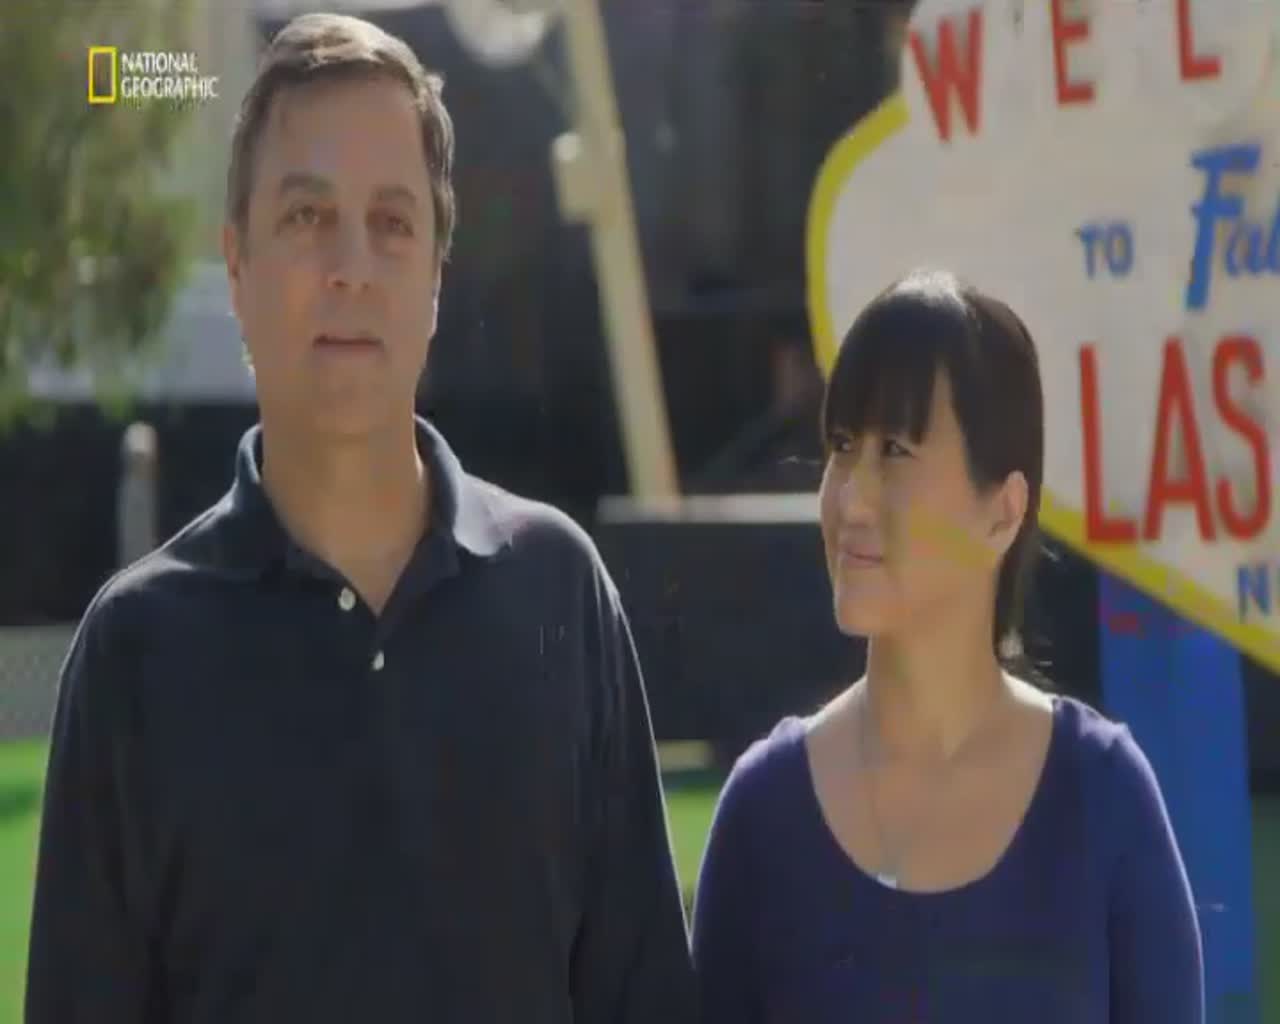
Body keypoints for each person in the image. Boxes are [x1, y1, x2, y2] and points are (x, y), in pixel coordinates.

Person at [26, 14, 696, 1023]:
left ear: (435, 275)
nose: (352, 265)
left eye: (392, 222)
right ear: (236, 265)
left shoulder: (558, 595)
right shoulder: (136, 652)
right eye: (307, 216)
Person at [691, 269, 1204, 1022]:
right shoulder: (763, 811)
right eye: (842, 446)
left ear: (1003, 512)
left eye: (896, 451)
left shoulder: (1103, 797)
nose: (851, 497)